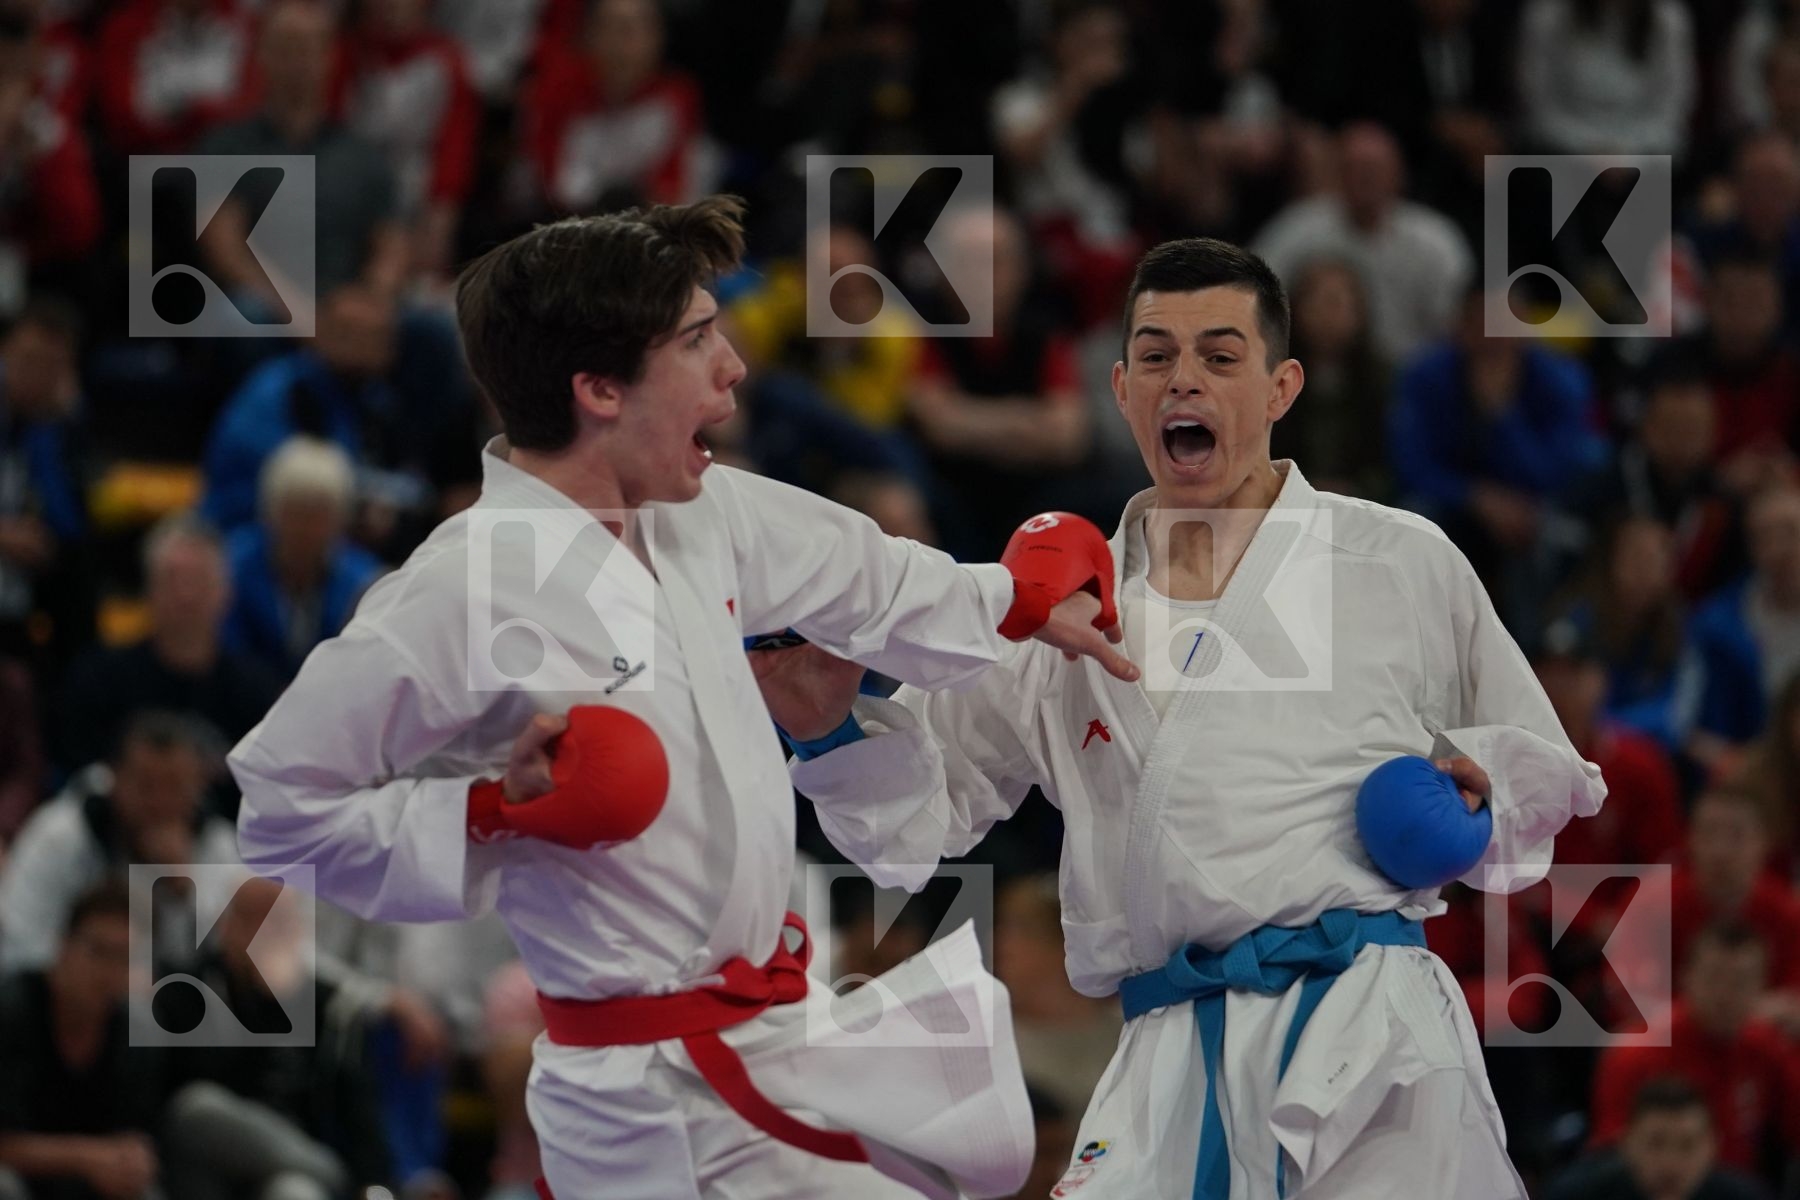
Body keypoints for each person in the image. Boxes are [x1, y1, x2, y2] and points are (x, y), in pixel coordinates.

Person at [229, 195, 1137, 1200]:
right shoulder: (462, 589)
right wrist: (490, 813)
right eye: (699, 339)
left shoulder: (705, 512)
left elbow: (878, 581)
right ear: (599, 389)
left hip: (768, 1029)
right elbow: (279, 813)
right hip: (645, 1099)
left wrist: (1019, 596)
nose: (734, 367)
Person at [768, 237, 1606, 1197]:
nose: (1184, 382)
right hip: (1168, 1048)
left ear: (1283, 386)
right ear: (1121, 389)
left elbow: (1538, 774)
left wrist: (1483, 806)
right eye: (1157, 357)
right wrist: (827, 725)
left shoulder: (1396, 559)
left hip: (1373, 1030)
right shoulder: (1054, 600)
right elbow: (913, 822)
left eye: (1219, 356)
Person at [1549, 1077, 1768, 1200]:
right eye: (1656, 1143)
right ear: (1627, 1143)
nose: (1670, 1162)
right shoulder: (1578, 1195)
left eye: (1687, 1145)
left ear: (1712, 1147)